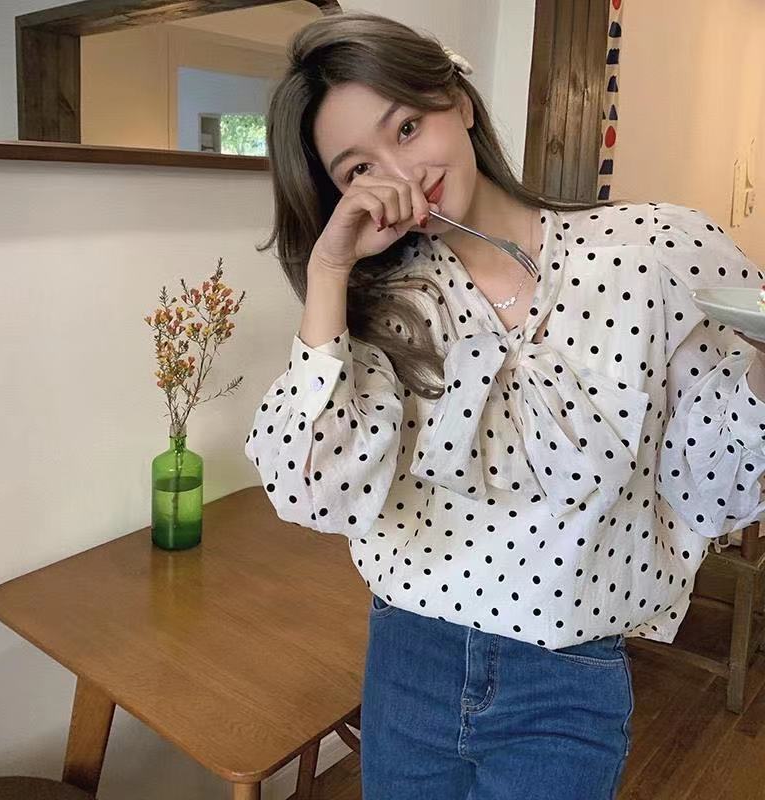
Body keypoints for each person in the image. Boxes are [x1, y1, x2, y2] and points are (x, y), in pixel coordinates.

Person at [244, 10, 765, 800]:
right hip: (409, 655)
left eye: (407, 127)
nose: (400, 173)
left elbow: (717, 492)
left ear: (459, 101)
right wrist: (328, 272)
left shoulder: (652, 250)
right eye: (358, 169)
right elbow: (309, 489)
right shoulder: (384, 304)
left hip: (568, 677)